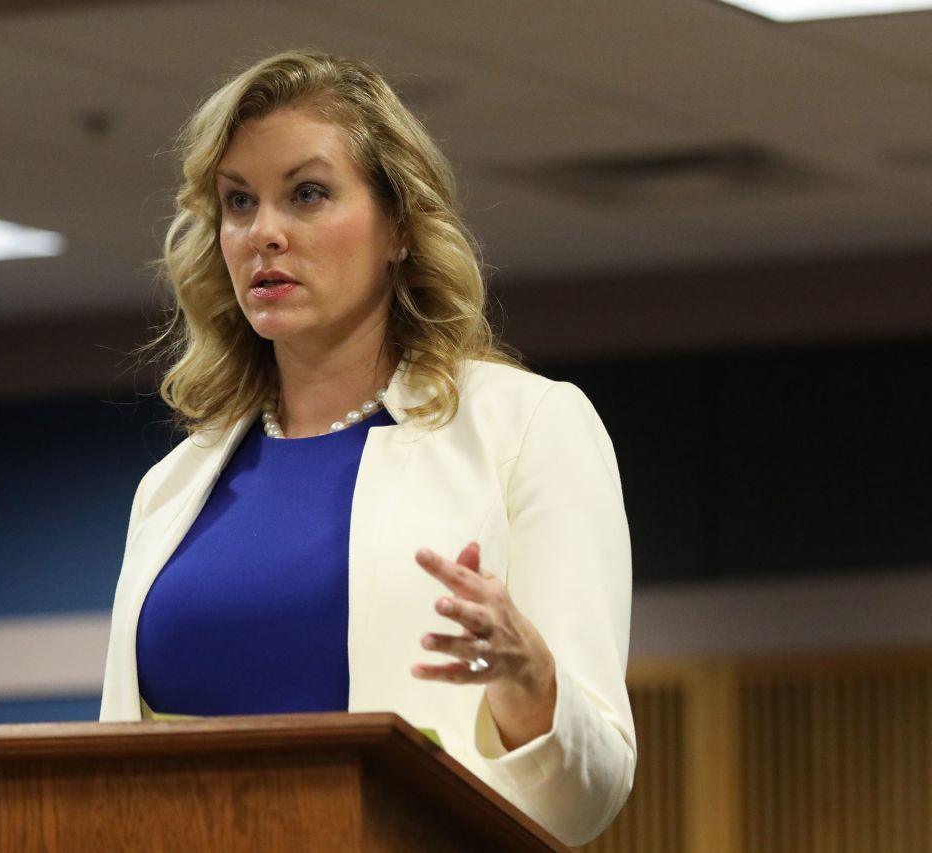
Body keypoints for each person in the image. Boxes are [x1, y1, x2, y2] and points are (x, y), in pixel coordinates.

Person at [99, 50, 635, 846]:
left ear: (400, 226)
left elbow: (592, 794)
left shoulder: (527, 427)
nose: (264, 233)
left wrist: (533, 679)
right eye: (238, 203)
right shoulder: (173, 485)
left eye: (307, 194)